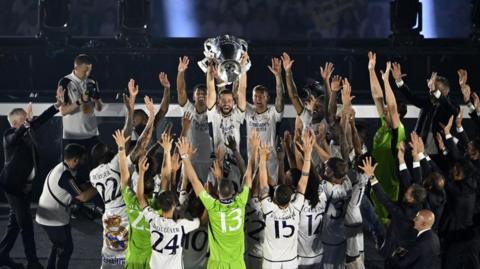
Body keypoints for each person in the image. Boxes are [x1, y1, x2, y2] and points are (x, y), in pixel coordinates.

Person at [0, 88, 64, 269]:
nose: (29, 123)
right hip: (13, 188)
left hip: (24, 187)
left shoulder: (28, 129)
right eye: (24, 121)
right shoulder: (9, 136)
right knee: (26, 226)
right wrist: (25, 126)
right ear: (15, 123)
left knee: (14, 225)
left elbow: (42, 118)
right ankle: (33, 262)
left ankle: (2, 255)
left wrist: (56, 106)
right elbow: (15, 137)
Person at [179, 130, 255, 269]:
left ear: (218, 192)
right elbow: (247, 177)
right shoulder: (240, 202)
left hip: (217, 264)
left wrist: (184, 156)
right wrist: (254, 150)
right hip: (237, 263)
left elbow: (195, 182)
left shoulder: (213, 207)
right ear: (234, 192)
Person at [89, 80, 137, 268]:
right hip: (120, 215)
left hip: (109, 214)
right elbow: (126, 134)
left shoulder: (94, 174)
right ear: (107, 154)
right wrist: (130, 109)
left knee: (109, 256)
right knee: (120, 259)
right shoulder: (114, 165)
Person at [35, 143, 98, 269]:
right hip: (53, 218)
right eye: (83, 159)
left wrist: (92, 183)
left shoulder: (63, 168)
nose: (84, 162)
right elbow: (83, 197)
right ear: (75, 160)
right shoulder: (65, 175)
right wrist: (100, 185)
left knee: (57, 245)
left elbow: (81, 185)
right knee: (66, 249)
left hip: (48, 216)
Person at [259, 130, 315, 269]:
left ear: (274, 199)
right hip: (290, 261)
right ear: (290, 199)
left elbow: (264, 184)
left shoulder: (269, 210)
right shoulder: (295, 208)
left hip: (271, 262)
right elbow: (303, 182)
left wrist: (262, 158)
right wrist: (307, 155)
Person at [135, 156, 201, 269]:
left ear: (159, 205)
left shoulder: (153, 219)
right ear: (174, 205)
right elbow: (199, 221)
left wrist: (141, 173)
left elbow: (140, 197)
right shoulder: (181, 225)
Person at [116, 97, 157, 269]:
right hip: (150, 260)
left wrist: (120, 148)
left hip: (131, 254)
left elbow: (124, 172)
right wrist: (152, 116)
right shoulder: (158, 207)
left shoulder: (130, 197)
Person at [368, 53, 407, 224]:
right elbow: (378, 97)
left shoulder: (398, 131)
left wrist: (386, 81)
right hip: (377, 182)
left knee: (389, 228)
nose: (385, 109)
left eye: (391, 110)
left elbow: (390, 105)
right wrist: (371, 70)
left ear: (397, 114)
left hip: (390, 189)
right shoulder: (385, 123)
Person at [392, 62, 459, 156]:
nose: (430, 91)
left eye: (434, 88)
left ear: (444, 91)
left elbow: (451, 109)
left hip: (437, 154)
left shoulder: (452, 107)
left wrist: (434, 91)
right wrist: (399, 81)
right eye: (430, 88)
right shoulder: (429, 102)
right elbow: (412, 97)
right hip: (417, 148)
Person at [245, 57, 284, 182]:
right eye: (255, 96)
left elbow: (280, 97)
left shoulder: (273, 113)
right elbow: (237, 94)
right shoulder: (248, 111)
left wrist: (278, 76)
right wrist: (241, 68)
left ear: (267, 98)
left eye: (262, 96)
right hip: (252, 162)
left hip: (270, 163)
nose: (258, 99)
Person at [58, 54, 103, 156]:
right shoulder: (65, 82)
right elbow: (63, 111)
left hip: (92, 135)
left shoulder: (92, 81)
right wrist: (80, 101)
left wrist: (96, 100)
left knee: (93, 169)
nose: (87, 74)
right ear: (76, 68)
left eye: (89, 70)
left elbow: (99, 108)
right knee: (72, 168)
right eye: (85, 71)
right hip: (72, 137)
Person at [176, 56, 212, 181]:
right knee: (186, 196)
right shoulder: (188, 110)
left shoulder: (213, 112)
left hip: (209, 161)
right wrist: (181, 72)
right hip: (190, 160)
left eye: (204, 93)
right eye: (198, 93)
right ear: (194, 96)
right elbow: (181, 91)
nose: (201, 95)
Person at [206, 55, 248, 153]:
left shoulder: (237, 114)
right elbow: (210, 90)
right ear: (218, 102)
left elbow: (242, 89)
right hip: (218, 161)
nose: (226, 103)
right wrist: (210, 66)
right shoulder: (214, 113)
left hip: (235, 161)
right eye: (223, 100)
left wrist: (243, 67)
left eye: (229, 101)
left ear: (233, 102)